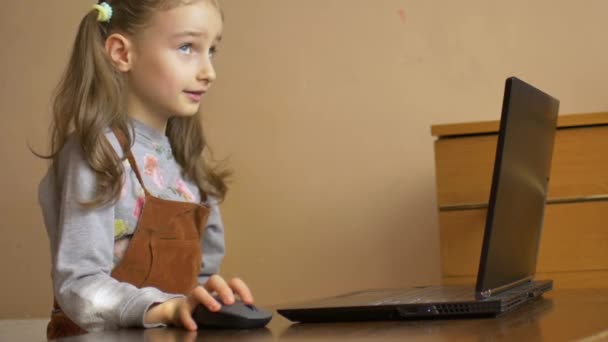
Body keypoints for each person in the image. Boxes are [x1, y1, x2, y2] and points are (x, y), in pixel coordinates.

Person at [37, 0, 254, 339]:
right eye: (187, 47)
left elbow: (198, 279)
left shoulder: (190, 166)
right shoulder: (97, 155)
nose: (208, 71)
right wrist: (164, 308)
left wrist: (210, 303)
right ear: (122, 53)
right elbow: (79, 285)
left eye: (211, 50)